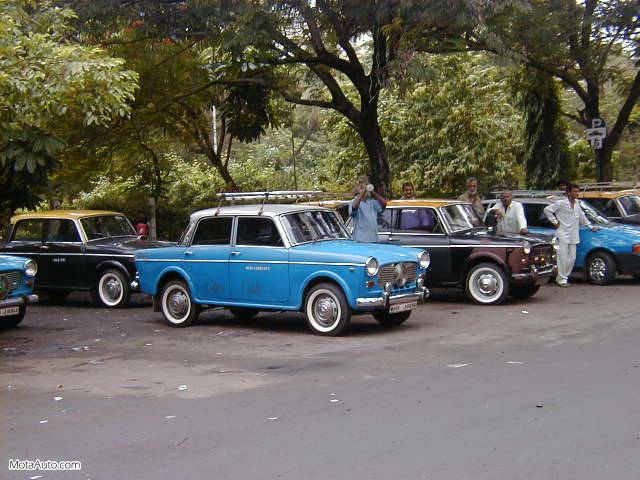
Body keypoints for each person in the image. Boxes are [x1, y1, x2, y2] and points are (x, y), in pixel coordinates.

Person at [544, 183, 599, 287]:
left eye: (578, 191)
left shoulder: (577, 203)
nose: (577, 193)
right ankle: (562, 279)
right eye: (575, 191)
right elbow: (547, 210)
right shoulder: (561, 203)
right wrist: (555, 222)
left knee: (572, 258)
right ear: (568, 193)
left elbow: (582, 217)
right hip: (562, 233)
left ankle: (564, 276)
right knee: (562, 257)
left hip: (573, 234)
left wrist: (590, 226)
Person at [349, 175, 387, 242]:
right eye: (360, 185)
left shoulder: (372, 202)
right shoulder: (353, 202)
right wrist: (362, 192)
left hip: (373, 239)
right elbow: (354, 207)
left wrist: (372, 191)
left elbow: (384, 203)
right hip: (360, 239)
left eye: (365, 184)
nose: (363, 186)